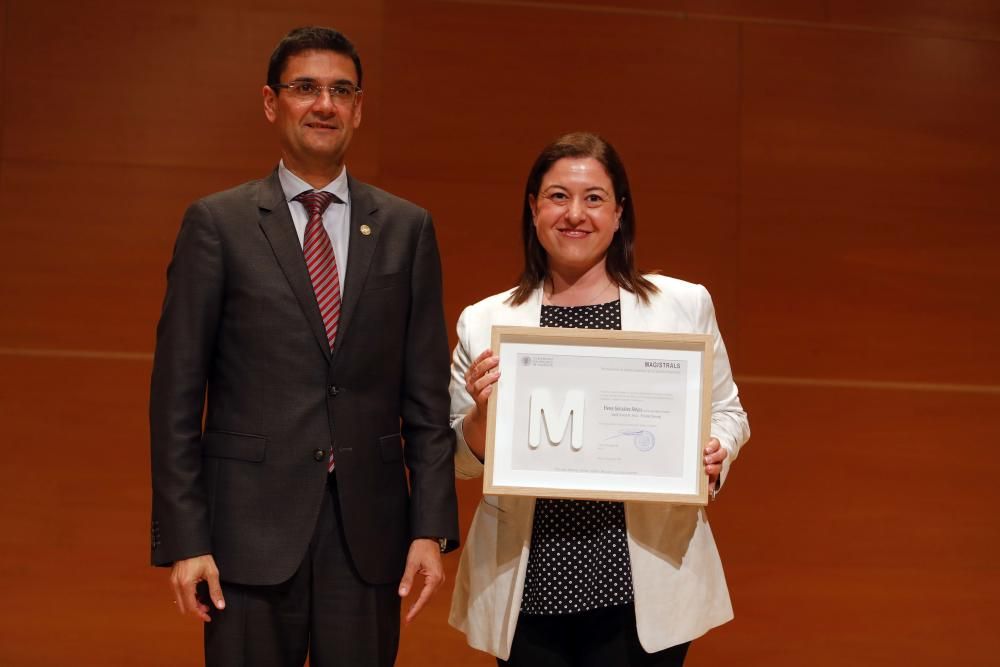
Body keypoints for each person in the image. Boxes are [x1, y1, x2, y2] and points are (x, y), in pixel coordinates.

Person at [149, 26, 458, 667]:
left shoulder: (406, 228)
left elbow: (426, 397)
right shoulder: (218, 224)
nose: (325, 104)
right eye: (306, 88)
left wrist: (430, 526)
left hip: (368, 538)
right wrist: (185, 538)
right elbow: (176, 397)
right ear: (271, 102)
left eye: (341, 90)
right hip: (245, 537)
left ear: (359, 108)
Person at [447, 132, 750, 666]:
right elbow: (462, 461)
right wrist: (482, 414)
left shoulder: (682, 305)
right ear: (534, 209)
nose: (575, 214)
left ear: (618, 214)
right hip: (528, 585)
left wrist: (716, 453)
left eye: (593, 198)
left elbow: (727, 412)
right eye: (558, 196)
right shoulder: (487, 322)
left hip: (645, 584)